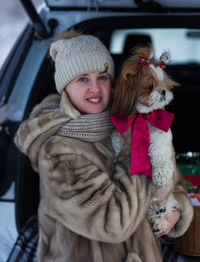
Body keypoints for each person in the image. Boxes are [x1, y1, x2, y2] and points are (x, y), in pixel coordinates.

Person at [15, 29, 193, 262]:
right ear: (65, 87)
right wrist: (135, 147)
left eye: (102, 77)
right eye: (82, 79)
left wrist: (176, 211)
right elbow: (113, 223)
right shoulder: (58, 150)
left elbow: (173, 180)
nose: (95, 88)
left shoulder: (128, 121)